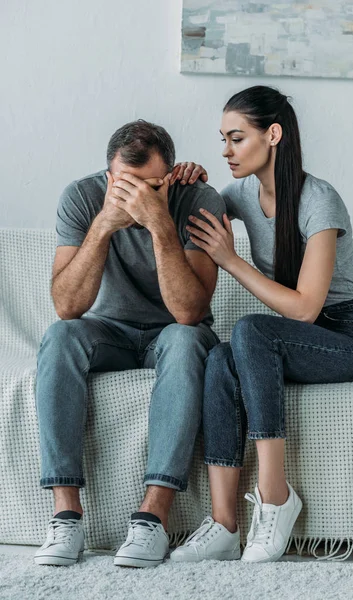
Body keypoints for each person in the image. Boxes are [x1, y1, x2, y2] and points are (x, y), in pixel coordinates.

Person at [169, 85, 353, 564]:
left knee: (249, 330)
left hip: (345, 339)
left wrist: (231, 260)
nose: (226, 151)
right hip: (291, 339)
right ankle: (224, 523)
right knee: (221, 357)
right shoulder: (241, 194)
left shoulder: (320, 201)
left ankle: (275, 496)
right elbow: (197, 206)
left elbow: (306, 309)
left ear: (274, 134)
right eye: (222, 139)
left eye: (237, 138)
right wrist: (189, 180)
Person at [34, 120, 225, 567]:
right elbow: (67, 305)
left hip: (173, 332)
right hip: (109, 332)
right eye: (125, 185)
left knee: (184, 338)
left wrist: (159, 222)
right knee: (60, 335)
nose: (136, 196)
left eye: (150, 186)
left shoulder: (197, 198)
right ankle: (66, 515)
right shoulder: (81, 198)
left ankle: (151, 519)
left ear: (171, 175)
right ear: (108, 177)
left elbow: (189, 312)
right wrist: (103, 225)